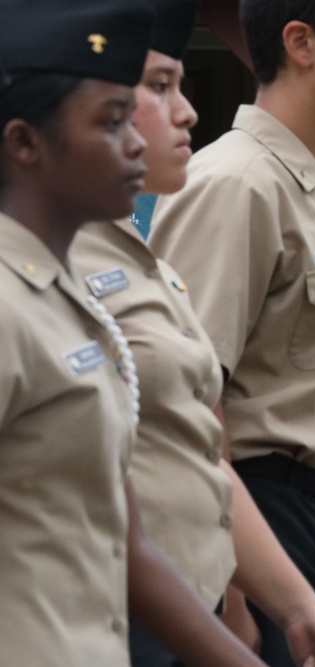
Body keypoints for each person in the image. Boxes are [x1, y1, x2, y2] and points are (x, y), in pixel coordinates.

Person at [67, 2, 315, 666]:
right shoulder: (31, 281)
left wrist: (287, 608)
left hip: (190, 579)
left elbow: (189, 450)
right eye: (153, 88)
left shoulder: (125, 260)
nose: (187, 113)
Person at [0, 2, 293, 665]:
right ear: (24, 142)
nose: (136, 139)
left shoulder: (65, 292)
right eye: (111, 122)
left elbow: (128, 532)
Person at [149, 1, 315, 664]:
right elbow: (180, 412)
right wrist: (233, 594)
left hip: (304, 526)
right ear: (300, 42)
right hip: (247, 529)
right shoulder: (237, 184)